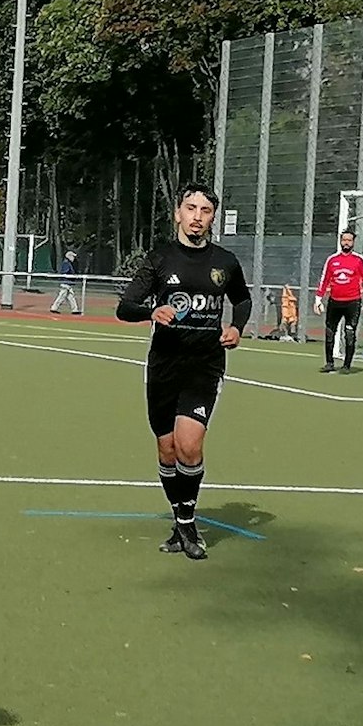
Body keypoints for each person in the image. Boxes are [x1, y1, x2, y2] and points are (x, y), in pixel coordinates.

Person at [114, 183, 251, 561]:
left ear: (212, 218)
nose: (196, 217)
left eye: (205, 211)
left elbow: (242, 298)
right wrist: (151, 312)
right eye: (190, 208)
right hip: (164, 365)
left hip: (204, 365)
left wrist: (237, 327)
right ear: (177, 213)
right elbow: (125, 307)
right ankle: (180, 521)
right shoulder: (159, 259)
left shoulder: (225, 263)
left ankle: (188, 526)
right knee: (168, 449)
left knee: (190, 445)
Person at [314, 229, 363, 373]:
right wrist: (318, 298)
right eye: (344, 240)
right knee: (330, 332)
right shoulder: (332, 260)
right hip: (334, 302)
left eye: (349, 240)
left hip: (352, 302)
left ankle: (347, 365)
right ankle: (329, 363)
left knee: (349, 333)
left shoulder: (358, 260)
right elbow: (324, 280)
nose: (346, 242)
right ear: (340, 241)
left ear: (353, 242)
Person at [49, 249, 82, 315]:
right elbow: (65, 272)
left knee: (71, 296)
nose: (74, 258)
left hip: (68, 283)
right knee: (62, 296)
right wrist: (72, 276)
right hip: (65, 283)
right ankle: (54, 308)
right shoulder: (66, 263)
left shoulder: (68, 263)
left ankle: (75, 309)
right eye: (73, 256)